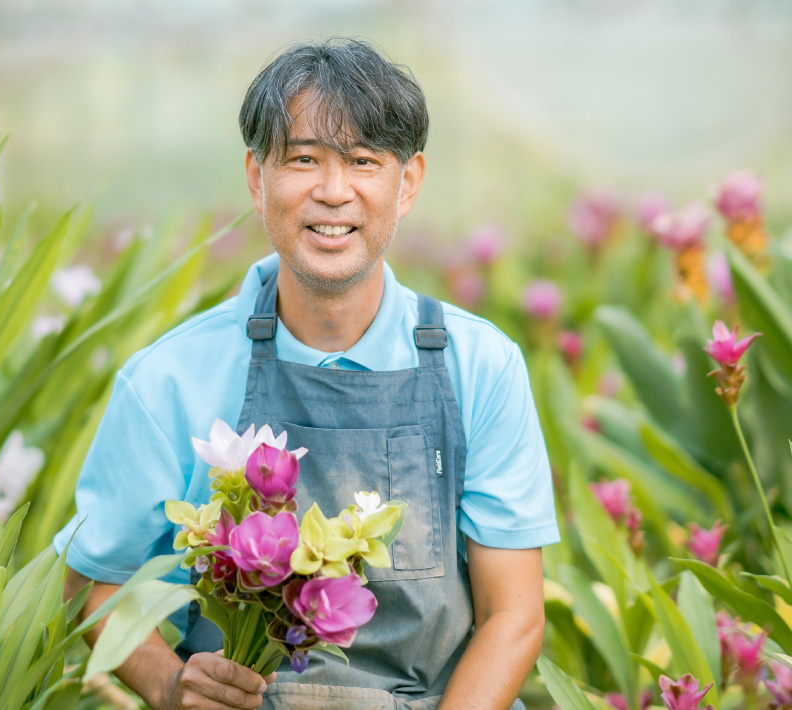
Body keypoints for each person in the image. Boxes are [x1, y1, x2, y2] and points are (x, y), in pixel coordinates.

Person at [58, 37, 560, 710]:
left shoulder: (480, 366)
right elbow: (95, 582)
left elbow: (514, 615)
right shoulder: (170, 379)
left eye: (362, 161)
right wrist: (169, 682)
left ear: (407, 182)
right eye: (302, 160)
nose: (332, 192)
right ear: (256, 177)